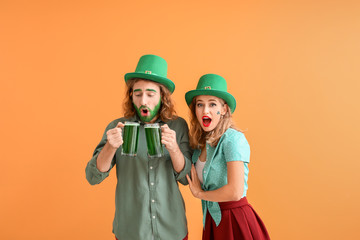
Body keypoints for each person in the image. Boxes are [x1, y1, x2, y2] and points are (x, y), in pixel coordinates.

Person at [85, 54, 192, 240]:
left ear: (162, 96)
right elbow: (93, 177)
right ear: (131, 96)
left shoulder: (178, 126)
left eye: (151, 94)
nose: (143, 101)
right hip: (131, 231)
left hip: (172, 229)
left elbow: (187, 179)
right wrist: (110, 147)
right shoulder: (116, 128)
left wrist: (174, 148)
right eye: (138, 93)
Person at [185, 74, 270, 240]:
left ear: (223, 109)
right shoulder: (199, 144)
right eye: (200, 104)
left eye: (212, 104)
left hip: (235, 220)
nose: (205, 110)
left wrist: (200, 194)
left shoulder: (232, 139)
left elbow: (235, 191)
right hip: (212, 220)